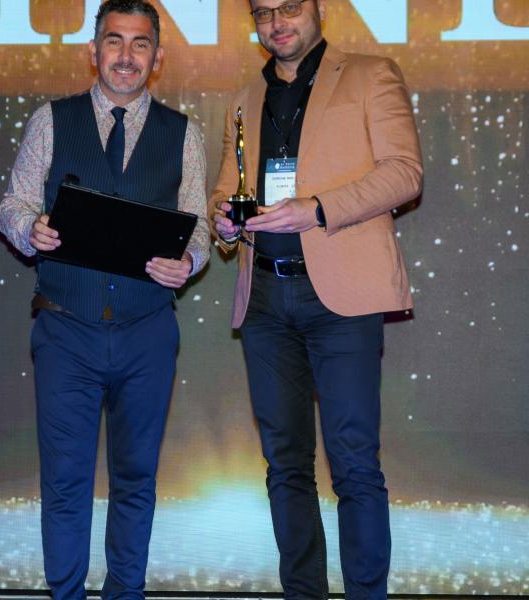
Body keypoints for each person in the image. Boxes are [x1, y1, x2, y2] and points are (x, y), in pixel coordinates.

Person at [209, 1, 422, 598]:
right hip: (264, 300)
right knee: (285, 465)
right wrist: (222, 220)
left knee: (354, 463)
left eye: (290, 7)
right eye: (263, 12)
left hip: (341, 302)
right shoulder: (244, 99)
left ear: (319, 8)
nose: (277, 22)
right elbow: (226, 188)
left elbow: (405, 172)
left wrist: (318, 208)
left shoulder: (370, 74)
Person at [0, 1, 209, 598]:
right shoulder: (50, 120)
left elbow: (196, 223)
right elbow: (13, 203)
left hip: (148, 332)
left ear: (157, 58)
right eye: (114, 41)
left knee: (137, 481)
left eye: (140, 44)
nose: (126, 56)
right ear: (93, 51)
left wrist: (190, 261)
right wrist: (30, 228)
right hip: (66, 330)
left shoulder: (184, 133)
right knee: (65, 483)